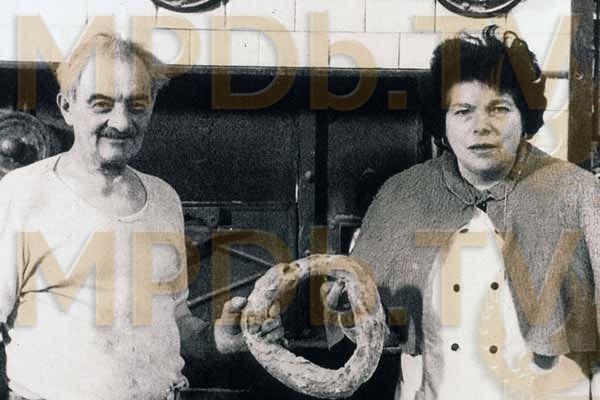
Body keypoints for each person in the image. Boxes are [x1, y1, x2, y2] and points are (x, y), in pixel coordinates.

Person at [0, 32, 281, 400]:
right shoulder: (21, 194)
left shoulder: (164, 199)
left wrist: (218, 338)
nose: (121, 122)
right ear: (67, 107)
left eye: (136, 105)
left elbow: (174, 322)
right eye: (101, 104)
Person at [325, 26, 600, 399]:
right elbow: (375, 330)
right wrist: (349, 311)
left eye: (499, 108)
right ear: (443, 122)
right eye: (463, 111)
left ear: (525, 116)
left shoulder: (578, 192)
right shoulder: (402, 194)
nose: (481, 126)